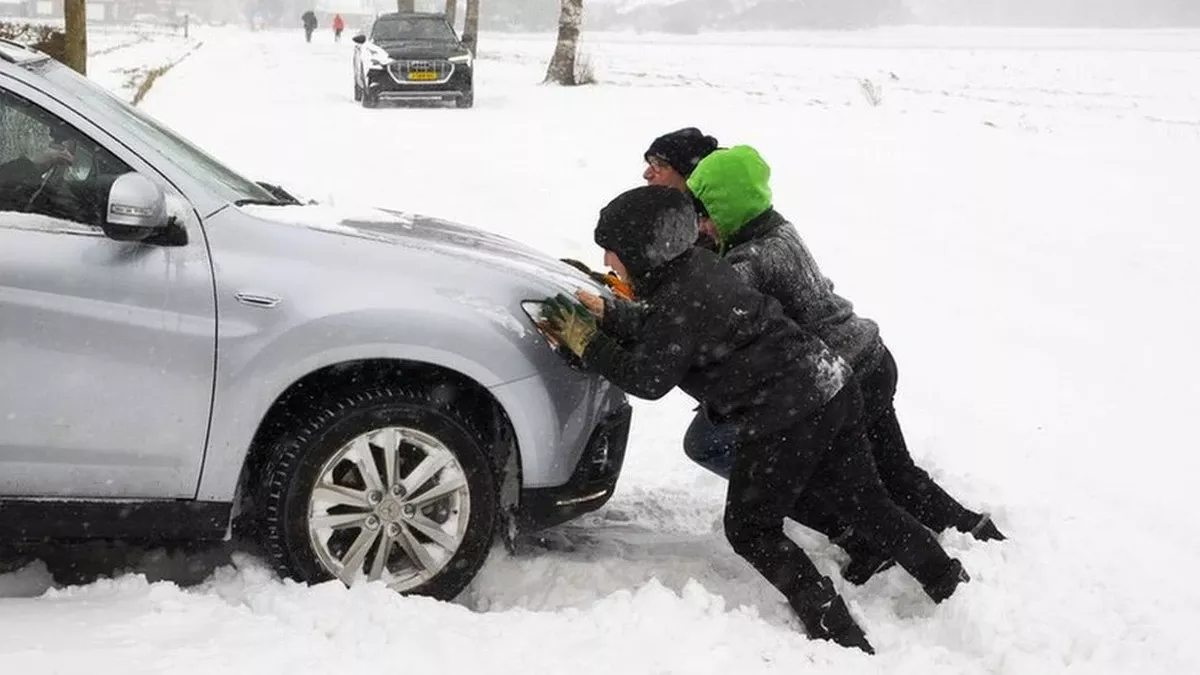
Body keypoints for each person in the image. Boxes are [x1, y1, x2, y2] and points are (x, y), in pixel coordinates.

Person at [540, 185, 970, 653]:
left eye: (613, 248)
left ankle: (835, 631)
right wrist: (613, 314)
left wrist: (588, 341)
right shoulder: (696, 269)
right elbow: (665, 327)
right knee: (866, 501)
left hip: (787, 414)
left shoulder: (681, 295)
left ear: (645, 251)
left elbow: (649, 377)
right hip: (830, 384)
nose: (606, 256)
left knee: (750, 528)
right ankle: (951, 584)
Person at [685, 145, 1005, 582]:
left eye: (705, 211)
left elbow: (712, 311)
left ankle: (896, 552)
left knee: (860, 491)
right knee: (896, 474)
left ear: (725, 205)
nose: (701, 222)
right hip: (870, 356)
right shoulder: (777, 230)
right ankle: (974, 530)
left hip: (840, 376)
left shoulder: (750, 259)